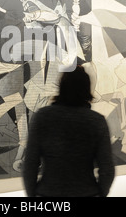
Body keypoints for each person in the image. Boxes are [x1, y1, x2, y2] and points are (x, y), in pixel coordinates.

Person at [23, 65, 115, 197]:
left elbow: (30, 164)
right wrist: (100, 193)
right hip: (87, 192)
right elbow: (107, 169)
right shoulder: (96, 121)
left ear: (61, 86)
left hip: (48, 193)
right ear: (87, 88)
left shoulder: (42, 117)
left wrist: (32, 194)